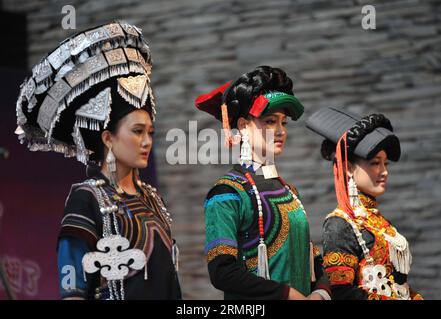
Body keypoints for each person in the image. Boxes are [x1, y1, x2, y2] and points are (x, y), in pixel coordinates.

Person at [15, 21, 181, 300]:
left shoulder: (153, 199)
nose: (146, 141)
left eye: (150, 132)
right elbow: (73, 291)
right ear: (108, 138)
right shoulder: (87, 198)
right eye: (137, 132)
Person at [194, 66, 331, 300]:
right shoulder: (227, 192)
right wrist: (287, 295)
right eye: (269, 121)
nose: (280, 131)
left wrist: (320, 292)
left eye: (284, 123)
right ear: (244, 126)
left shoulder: (289, 191)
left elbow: (312, 257)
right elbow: (222, 272)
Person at [306, 107, 423, 300]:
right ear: (349, 168)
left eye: (386, 163)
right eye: (376, 163)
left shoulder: (379, 222)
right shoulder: (340, 224)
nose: (384, 171)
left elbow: (398, 285)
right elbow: (340, 292)